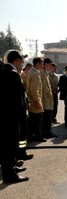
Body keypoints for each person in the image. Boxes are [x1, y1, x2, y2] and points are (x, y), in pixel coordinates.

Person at [0, 49, 29, 183]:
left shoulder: (5, 71)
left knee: (8, 146)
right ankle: (9, 175)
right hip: (11, 117)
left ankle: (11, 168)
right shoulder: (12, 74)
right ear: (16, 61)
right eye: (21, 62)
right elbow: (16, 99)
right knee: (9, 146)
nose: (22, 65)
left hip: (6, 116)